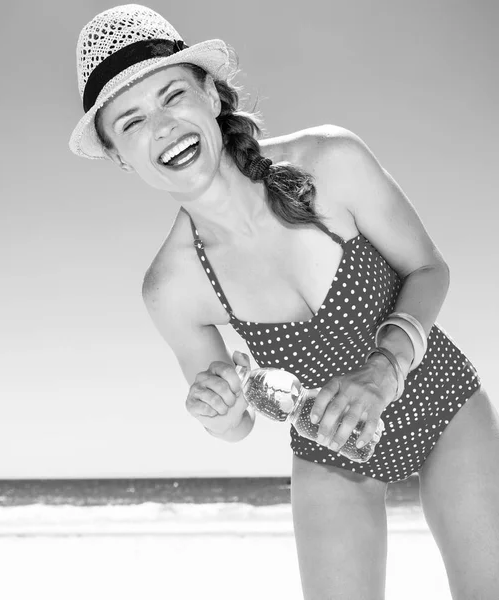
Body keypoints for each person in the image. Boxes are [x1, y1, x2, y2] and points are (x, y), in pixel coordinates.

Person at [69, 5, 499, 598]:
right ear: (119, 155)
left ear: (211, 95)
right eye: (132, 123)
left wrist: (384, 369)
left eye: (172, 96)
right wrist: (217, 413)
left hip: (442, 403)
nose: (163, 127)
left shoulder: (330, 161)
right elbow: (235, 422)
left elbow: (428, 268)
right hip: (329, 456)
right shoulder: (171, 286)